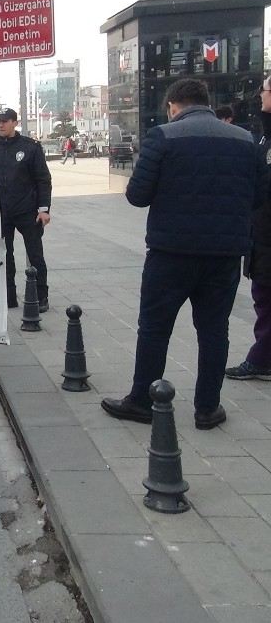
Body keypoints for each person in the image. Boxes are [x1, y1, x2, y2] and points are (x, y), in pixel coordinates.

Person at [101, 78, 265, 430]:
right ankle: (207, 409)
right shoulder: (245, 140)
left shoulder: (163, 136)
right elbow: (260, 195)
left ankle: (142, 401)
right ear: (205, 102)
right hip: (223, 256)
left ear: (174, 105)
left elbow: (138, 195)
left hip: (170, 254)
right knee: (213, 331)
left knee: (155, 329)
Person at [0, 108, 52, 311]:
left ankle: (40, 297)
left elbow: (43, 179)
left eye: (5, 121)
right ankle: (8, 297)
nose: (1, 124)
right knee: (4, 257)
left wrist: (44, 209)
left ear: (15, 123)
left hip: (28, 212)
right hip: (1, 212)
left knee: (35, 255)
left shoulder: (30, 148)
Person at [227, 75, 271, 381]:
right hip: (260, 233)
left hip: (268, 236)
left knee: (266, 299)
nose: (260, 96)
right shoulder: (264, 135)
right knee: (263, 296)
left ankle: (261, 359)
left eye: (264, 90)